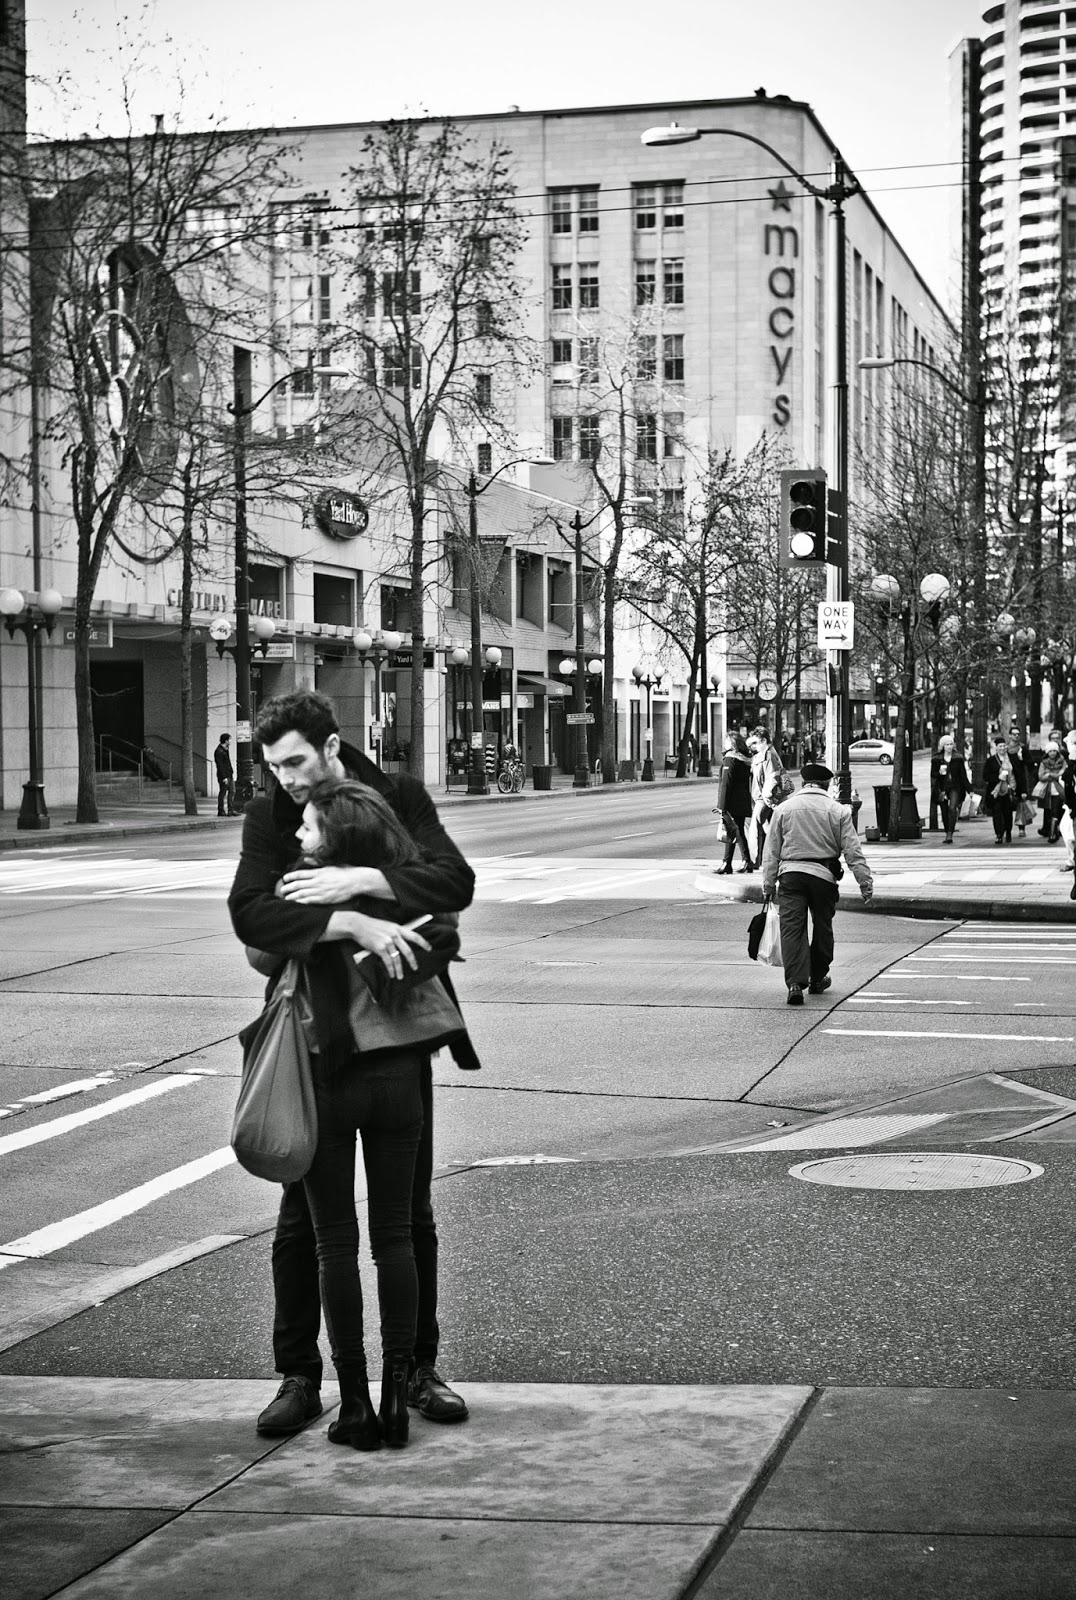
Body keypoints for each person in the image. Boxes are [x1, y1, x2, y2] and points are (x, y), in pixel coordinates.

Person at [228, 689, 476, 1440]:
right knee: (301, 1218)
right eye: (274, 767)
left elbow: (454, 882)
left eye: (295, 762)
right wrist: (347, 921)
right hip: (311, 1035)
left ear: (332, 747)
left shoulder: (397, 796)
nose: (285, 780)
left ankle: (417, 1368)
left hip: (397, 1029)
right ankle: (300, 1376)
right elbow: (250, 914)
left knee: (409, 1215)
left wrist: (364, 881)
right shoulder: (270, 814)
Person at [269, 778, 466, 1451]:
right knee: (395, 1237)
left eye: (308, 826)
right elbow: (446, 922)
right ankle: (395, 1393)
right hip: (399, 1077)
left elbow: (263, 952)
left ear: (333, 835)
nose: (299, 835)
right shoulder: (405, 882)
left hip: (326, 1076)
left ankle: (354, 1400)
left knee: (336, 1243)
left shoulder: (301, 887)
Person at [761, 761, 874, 1006]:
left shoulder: (783, 809)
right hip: (824, 877)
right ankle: (817, 977)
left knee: (792, 930)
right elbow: (852, 851)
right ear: (827, 785)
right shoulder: (839, 811)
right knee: (823, 927)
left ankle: (795, 983)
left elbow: (771, 851)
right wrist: (865, 882)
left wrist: (768, 884)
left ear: (803, 783)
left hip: (791, 875)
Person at [714, 733, 754, 873]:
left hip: (731, 802)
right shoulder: (745, 759)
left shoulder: (730, 759)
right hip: (742, 800)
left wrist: (722, 806)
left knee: (731, 831)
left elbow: (726, 784)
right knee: (738, 831)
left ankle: (729, 863)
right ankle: (743, 861)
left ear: (731, 743)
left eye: (726, 741)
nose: (724, 744)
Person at [747, 726, 786, 867]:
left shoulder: (768, 755)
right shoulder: (764, 754)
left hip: (764, 798)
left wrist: (767, 797)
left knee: (755, 827)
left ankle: (754, 861)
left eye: (756, 743)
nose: (753, 746)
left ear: (764, 740)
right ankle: (774, 858)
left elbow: (772, 778)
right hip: (765, 797)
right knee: (769, 829)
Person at [930, 734, 969, 844]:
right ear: (943, 746)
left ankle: (950, 834)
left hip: (955, 787)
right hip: (942, 787)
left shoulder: (958, 758)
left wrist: (969, 789)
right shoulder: (937, 759)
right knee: (944, 810)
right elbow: (933, 774)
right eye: (947, 744)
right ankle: (947, 830)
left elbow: (963, 775)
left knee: (952, 808)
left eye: (951, 744)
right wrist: (939, 772)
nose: (949, 746)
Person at [981, 735, 1018, 845]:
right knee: (996, 812)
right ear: (996, 748)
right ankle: (999, 834)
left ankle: (1008, 831)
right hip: (995, 791)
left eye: (1004, 746)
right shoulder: (991, 761)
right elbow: (985, 776)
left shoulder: (1011, 759)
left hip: (1009, 790)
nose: (1002, 748)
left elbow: (1018, 774)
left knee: (1007, 813)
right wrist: (998, 777)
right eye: (1000, 746)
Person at [1037, 740, 1068, 842]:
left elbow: (1063, 774)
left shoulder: (1062, 761)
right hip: (1047, 791)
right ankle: (1050, 831)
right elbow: (1041, 776)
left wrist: (1050, 774)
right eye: (1050, 751)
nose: (1053, 753)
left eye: (1054, 751)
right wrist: (1056, 775)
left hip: (1059, 790)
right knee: (1049, 811)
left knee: (1056, 810)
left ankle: (1053, 833)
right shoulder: (1043, 762)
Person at [215, 733, 235, 817]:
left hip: (229, 774)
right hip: (224, 775)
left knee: (232, 791)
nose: (230, 741)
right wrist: (224, 777)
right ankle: (221, 810)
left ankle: (231, 810)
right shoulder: (219, 751)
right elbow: (220, 765)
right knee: (223, 792)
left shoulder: (225, 749)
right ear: (226, 740)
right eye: (229, 739)